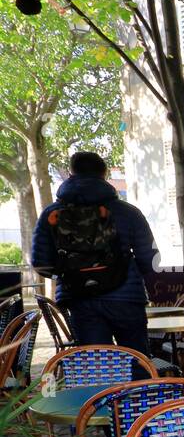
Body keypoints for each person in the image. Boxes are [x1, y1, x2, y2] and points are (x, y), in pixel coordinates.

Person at [30, 151, 157, 354]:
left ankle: (102, 387)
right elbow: (150, 259)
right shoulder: (127, 212)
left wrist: (68, 272)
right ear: (104, 174)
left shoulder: (51, 213)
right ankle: (137, 384)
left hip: (80, 299)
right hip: (125, 299)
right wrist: (124, 272)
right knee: (136, 360)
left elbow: (40, 262)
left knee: (97, 365)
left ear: (71, 173)